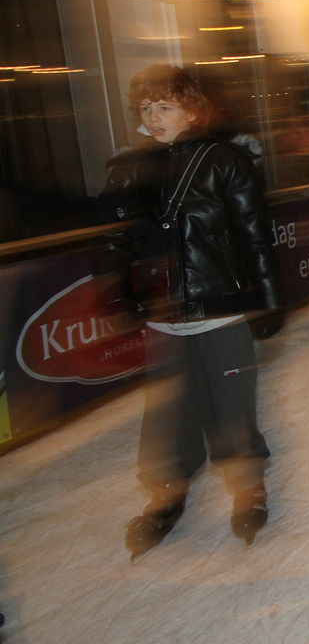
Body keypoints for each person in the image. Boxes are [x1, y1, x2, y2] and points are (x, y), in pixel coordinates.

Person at [97, 65, 285, 561]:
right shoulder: (129, 169)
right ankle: (166, 493)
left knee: (232, 407)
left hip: (220, 310)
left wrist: (269, 296)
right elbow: (115, 241)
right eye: (146, 108)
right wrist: (117, 294)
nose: (154, 117)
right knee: (169, 416)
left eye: (166, 106)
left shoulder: (225, 162)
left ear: (193, 110)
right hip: (163, 316)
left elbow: (254, 234)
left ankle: (249, 487)